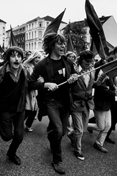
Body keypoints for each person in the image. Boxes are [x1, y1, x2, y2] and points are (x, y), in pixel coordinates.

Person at [29, 33, 77, 175]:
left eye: (64, 43)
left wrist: (73, 79)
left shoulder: (68, 62)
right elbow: (30, 83)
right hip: (51, 102)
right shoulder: (42, 64)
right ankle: (57, 159)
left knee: (60, 132)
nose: (63, 46)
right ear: (51, 45)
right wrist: (45, 84)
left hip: (65, 101)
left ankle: (51, 136)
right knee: (58, 130)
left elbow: (73, 80)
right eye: (59, 43)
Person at [67, 50, 95, 161]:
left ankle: (71, 134)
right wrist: (71, 81)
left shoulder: (92, 70)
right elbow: (68, 87)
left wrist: (102, 79)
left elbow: (93, 85)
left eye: (91, 62)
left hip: (87, 103)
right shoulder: (74, 71)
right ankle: (77, 150)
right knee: (79, 130)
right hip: (76, 104)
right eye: (87, 62)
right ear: (80, 60)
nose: (89, 65)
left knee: (83, 129)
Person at [87, 69, 116, 153]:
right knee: (100, 127)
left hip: (107, 105)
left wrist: (114, 89)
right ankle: (79, 126)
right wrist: (114, 92)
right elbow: (100, 90)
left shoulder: (113, 76)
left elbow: (112, 88)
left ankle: (99, 143)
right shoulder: (103, 76)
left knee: (108, 125)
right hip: (100, 105)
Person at [22, 51, 43, 132]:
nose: (37, 59)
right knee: (27, 110)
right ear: (33, 57)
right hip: (28, 91)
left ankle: (28, 125)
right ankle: (17, 124)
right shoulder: (26, 66)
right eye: (36, 57)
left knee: (34, 110)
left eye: (39, 58)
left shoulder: (39, 68)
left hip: (36, 91)